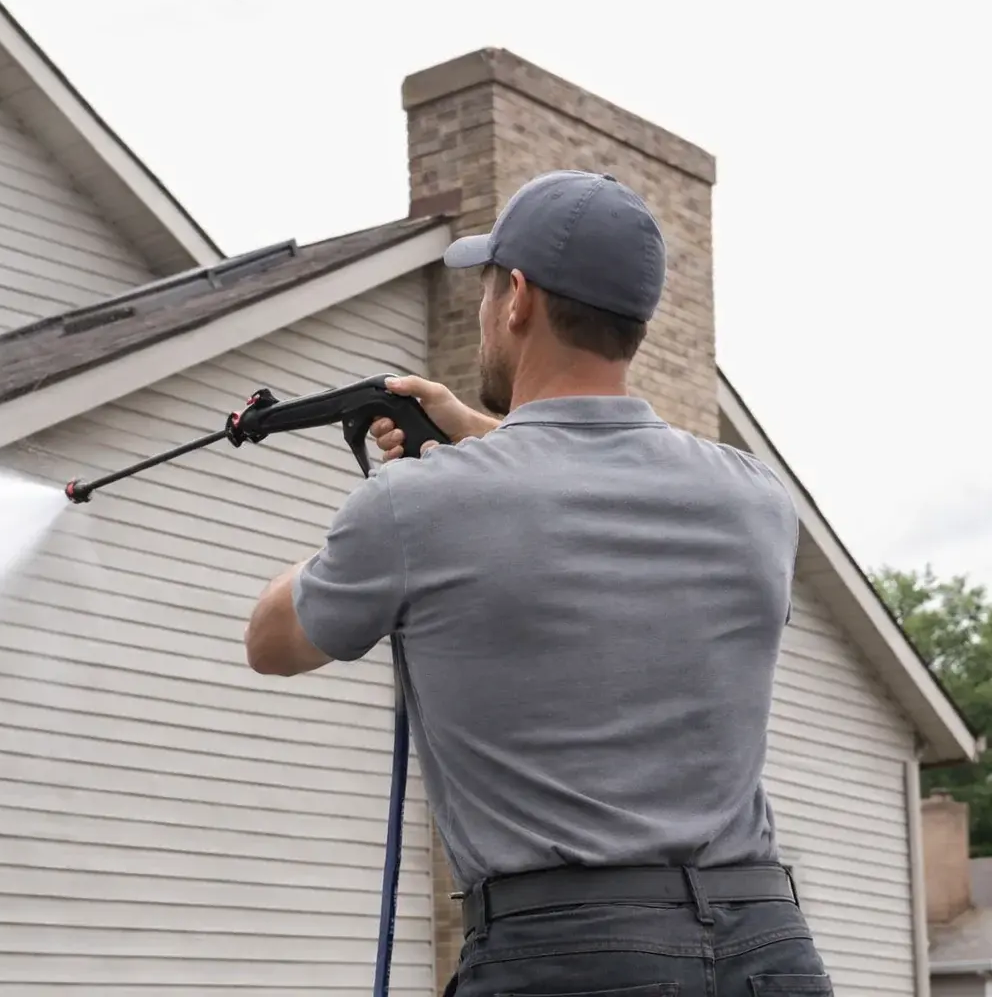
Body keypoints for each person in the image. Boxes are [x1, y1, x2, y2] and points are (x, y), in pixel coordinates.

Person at [241, 169, 833, 996]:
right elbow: (592, 472)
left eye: (487, 289)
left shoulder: (414, 510)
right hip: (768, 951)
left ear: (515, 298)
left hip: (567, 958)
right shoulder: (755, 499)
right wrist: (477, 436)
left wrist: (401, 513)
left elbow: (271, 643)